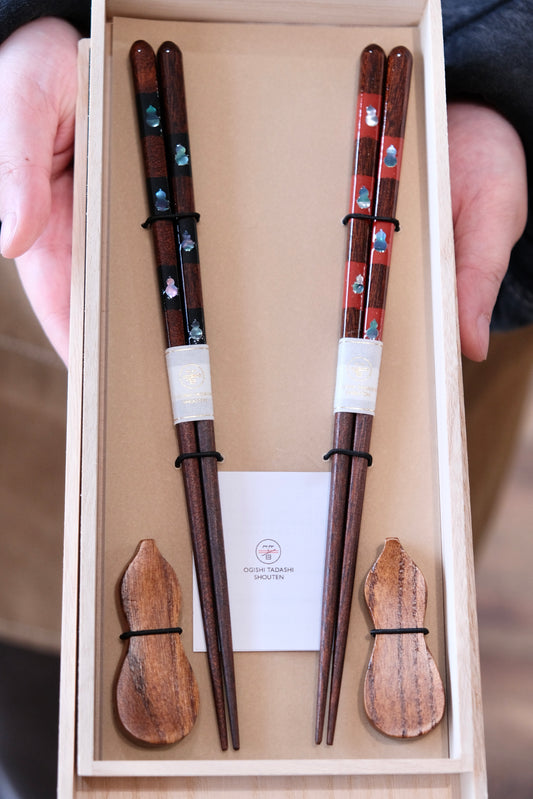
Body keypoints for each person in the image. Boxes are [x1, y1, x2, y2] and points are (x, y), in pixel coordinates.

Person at [0, 2, 531, 798]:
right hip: (52, 334)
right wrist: (28, 17)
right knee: (41, 681)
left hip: (438, 238)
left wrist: (504, 88)